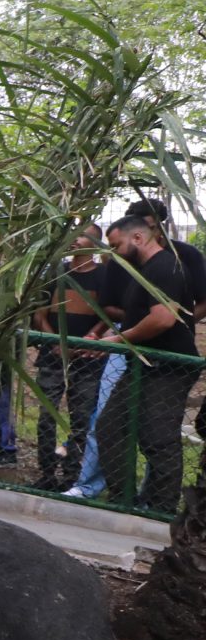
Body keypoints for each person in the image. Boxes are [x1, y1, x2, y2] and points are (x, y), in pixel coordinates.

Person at [95, 213, 202, 513]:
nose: (114, 253)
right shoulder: (145, 269)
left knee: (158, 438)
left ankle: (160, 510)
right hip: (142, 365)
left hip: (168, 368)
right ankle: (123, 500)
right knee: (110, 428)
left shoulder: (165, 267)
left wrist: (119, 340)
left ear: (138, 238)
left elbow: (163, 319)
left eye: (116, 246)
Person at [33, 224, 109, 492]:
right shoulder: (56, 273)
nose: (75, 241)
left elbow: (108, 314)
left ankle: (72, 475)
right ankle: (46, 472)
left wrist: (91, 336)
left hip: (88, 359)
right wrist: (55, 341)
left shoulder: (104, 276)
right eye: (73, 236)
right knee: (46, 416)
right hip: (53, 357)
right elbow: (39, 313)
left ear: (96, 244)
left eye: (82, 237)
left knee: (81, 420)